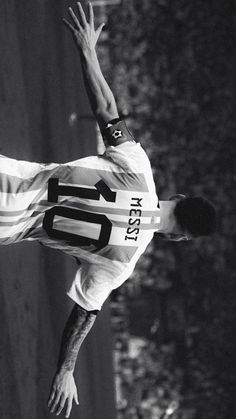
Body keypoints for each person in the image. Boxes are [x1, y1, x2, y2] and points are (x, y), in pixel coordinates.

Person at [0, 3, 216, 418]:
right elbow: (85, 313)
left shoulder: (138, 167)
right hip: (9, 225)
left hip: (9, 179)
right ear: (180, 236)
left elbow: (106, 109)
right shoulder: (123, 263)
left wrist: (88, 51)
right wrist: (65, 370)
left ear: (181, 196)